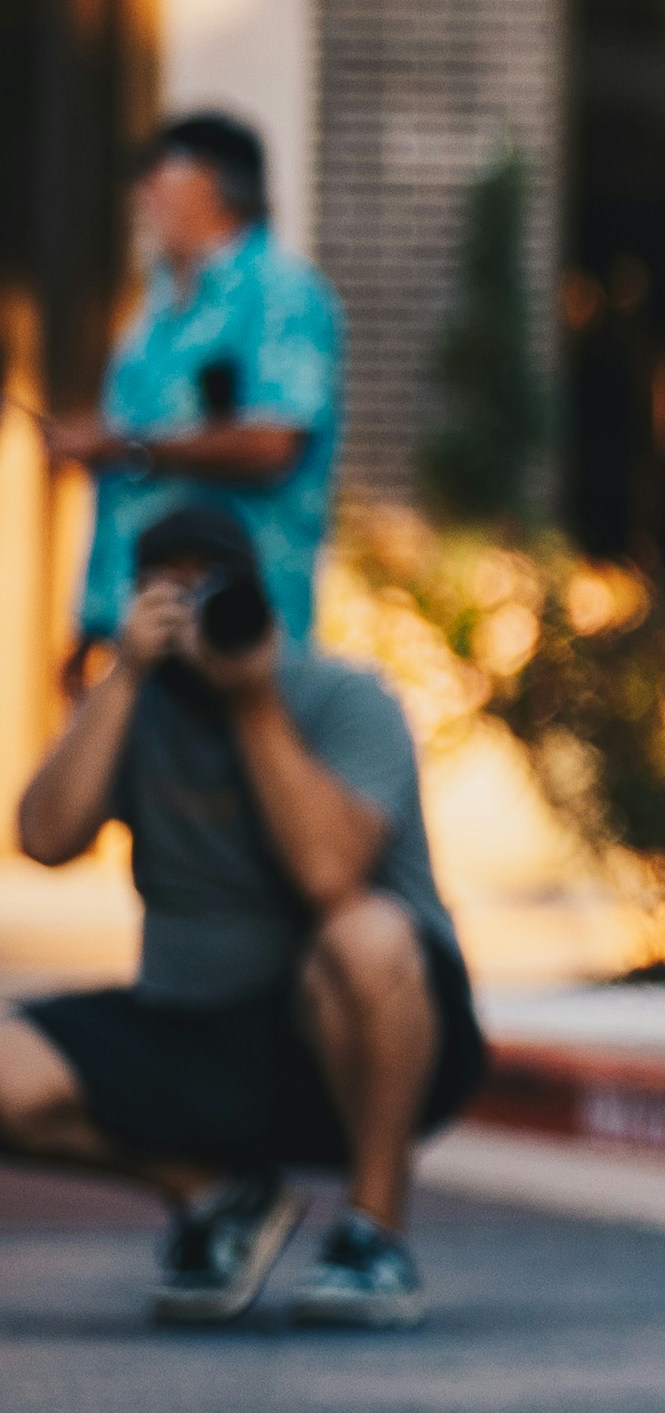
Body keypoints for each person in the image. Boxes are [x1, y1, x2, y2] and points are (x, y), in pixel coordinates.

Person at [0, 496, 475, 1328]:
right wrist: (123, 673)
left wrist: (251, 700)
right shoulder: (131, 707)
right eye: (167, 594)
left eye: (209, 591)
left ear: (257, 595)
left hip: (355, 1034)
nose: (192, 615)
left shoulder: (343, 699)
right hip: (193, 1032)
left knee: (366, 935)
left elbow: (330, 878)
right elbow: (44, 838)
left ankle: (373, 1234)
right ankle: (221, 1196)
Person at [54, 113, 341, 645]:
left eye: (155, 171)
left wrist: (126, 447)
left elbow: (272, 442)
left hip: (234, 638)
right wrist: (94, 622)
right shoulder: (160, 303)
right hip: (137, 631)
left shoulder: (281, 293)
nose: (141, 192)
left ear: (207, 181)